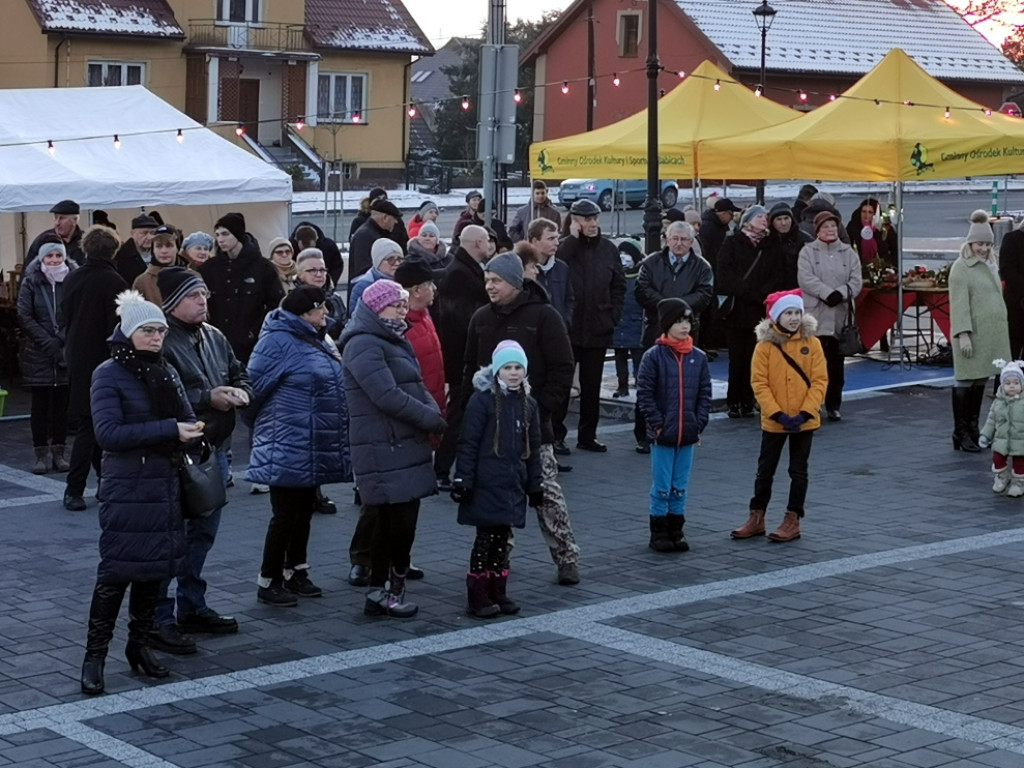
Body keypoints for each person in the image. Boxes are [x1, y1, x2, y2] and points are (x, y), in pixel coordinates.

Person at [80, 290, 202, 695]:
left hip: (165, 485)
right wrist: (169, 431)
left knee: (155, 571)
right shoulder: (107, 373)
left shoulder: (165, 369)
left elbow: (185, 415)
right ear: (129, 331)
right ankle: (94, 656)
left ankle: (140, 644)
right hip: (128, 488)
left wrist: (196, 432)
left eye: (161, 331)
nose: (156, 337)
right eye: (148, 330)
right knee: (115, 575)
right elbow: (109, 435)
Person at [461, 252, 581, 585]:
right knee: (498, 494)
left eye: (496, 280)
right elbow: (470, 371)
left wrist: (541, 408)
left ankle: (566, 556)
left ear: (515, 282)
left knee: (546, 492)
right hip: (492, 431)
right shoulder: (481, 318)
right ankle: (497, 558)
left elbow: (562, 366)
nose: (490, 286)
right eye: (487, 280)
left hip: (533, 427)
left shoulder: (543, 316)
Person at [152, 267, 250, 650]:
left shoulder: (214, 336)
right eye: (195, 296)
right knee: (172, 538)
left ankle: (191, 605)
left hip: (214, 452)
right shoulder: (161, 340)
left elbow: (241, 373)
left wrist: (241, 393)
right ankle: (159, 616)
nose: (203, 301)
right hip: (177, 456)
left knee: (202, 535)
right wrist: (208, 396)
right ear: (174, 302)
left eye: (205, 294)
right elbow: (162, 395)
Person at [340, 280, 447, 618]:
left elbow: (416, 385)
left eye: (404, 304)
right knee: (392, 524)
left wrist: (434, 414)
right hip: (384, 444)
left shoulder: (394, 337)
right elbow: (385, 395)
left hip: (403, 443)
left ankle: (389, 590)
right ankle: (382, 592)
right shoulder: (363, 343)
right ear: (375, 307)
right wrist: (430, 419)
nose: (402, 310)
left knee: (402, 522)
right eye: (395, 304)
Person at [247, 285, 352, 607]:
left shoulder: (321, 338)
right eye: (320, 309)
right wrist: (269, 430)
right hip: (287, 440)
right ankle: (269, 579)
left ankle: (297, 570)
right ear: (303, 314)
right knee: (285, 514)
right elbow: (252, 392)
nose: (326, 314)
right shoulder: (276, 341)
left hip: (313, 439)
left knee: (304, 509)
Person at [453, 340, 543, 617]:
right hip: (485, 482)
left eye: (518, 367)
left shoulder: (528, 404)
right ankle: (477, 595)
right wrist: (463, 479)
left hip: (512, 483)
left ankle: (497, 590)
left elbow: (534, 448)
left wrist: (535, 483)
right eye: (507, 367)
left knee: (502, 540)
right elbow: (468, 441)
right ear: (496, 371)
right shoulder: (482, 401)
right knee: (485, 539)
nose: (513, 373)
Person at [732, 289, 827, 544]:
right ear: (776, 317)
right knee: (765, 470)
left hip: (804, 420)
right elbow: (759, 383)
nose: (794, 318)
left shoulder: (813, 343)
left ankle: (793, 518)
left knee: (798, 471)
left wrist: (806, 411)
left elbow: (819, 380)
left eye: (797, 312)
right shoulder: (764, 347)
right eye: (788, 313)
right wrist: (775, 412)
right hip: (775, 421)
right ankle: (757, 516)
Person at [61, 226, 129, 511]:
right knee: (92, 427)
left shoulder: (73, 277)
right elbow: (118, 327)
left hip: (77, 357)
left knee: (92, 423)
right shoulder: (114, 281)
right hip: (103, 360)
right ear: (114, 250)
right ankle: (74, 489)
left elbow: (63, 315)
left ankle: (103, 480)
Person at [635, 298, 711, 553]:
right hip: (663, 434)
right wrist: (657, 424)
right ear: (666, 324)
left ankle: (676, 528)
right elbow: (644, 394)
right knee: (662, 486)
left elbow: (704, 393)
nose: (685, 326)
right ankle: (658, 530)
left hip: (687, 434)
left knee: (680, 485)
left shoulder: (698, 358)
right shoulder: (653, 357)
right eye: (679, 321)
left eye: (688, 321)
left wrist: (699, 423)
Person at [555, 198, 626, 452]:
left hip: (598, 326)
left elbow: (618, 285)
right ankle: (557, 436)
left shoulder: (608, 249)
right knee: (562, 386)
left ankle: (588, 435)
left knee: (592, 385)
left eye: (595, 218)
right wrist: (572, 241)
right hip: (569, 329)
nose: (593, 223)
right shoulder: (565, 248)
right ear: (574, 222)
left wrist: (612, 314)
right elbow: (556, 271)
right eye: (586, 219)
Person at [434, 224, 492, 491]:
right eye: (487, 240)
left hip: (466, 357)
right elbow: (461, 320)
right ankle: (442, 469)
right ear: (478, 243)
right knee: (457, 415)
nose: (490, 245)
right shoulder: (459, 273)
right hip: (461, 360)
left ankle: (455, 468)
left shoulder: (466, 268)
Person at [949, 211, 1011, 451]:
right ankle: (960, 432)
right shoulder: (961, 268)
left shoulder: (990, 265)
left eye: (987, 244)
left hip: (989, 334)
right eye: (979, 244)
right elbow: (959, 305)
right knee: (965, 380)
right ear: (970, 243)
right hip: (972, 334)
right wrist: (963, 334)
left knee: (980, 379)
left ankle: (973, 429)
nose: (984, 248)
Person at [797, 210, 863, 422]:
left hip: (840, 316)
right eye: (825, 226)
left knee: (836, 365)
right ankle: (812, 404)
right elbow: (805, 278)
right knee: (812, 364)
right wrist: (826, 293)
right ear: (818, 230)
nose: (830, 230)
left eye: (833, 226)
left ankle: (834, 405)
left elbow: (856, 280)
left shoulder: (848, 253)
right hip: (816, 313)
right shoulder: (807, 251)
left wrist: (842, 293)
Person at [17, 241, 76, 473]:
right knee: (40, 407)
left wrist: (61, 338)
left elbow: (74, 312)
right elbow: (24, 314)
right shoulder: (31, 281)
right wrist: (46, 341)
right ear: (41, 259)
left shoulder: (72, 279)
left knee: (61, 407)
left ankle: (60, 453)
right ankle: (40, 453)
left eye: (57, 255)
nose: (53, 260)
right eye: (49, 256)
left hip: (63, 352)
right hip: (39, 354)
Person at [717, 205, 780, 418]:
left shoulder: (770, 245)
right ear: (748, 221)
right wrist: (750, 292)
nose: (764, 220)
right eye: (760, 216)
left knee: (756, 358)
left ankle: (749, 400)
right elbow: (725, 274)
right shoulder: (732, 243)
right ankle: (733, 400)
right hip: (737, 310)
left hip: (759, 310)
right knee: (737, 357)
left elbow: (776, 274)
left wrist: (762, 294)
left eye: (766, 217)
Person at [199, 212, 284, 365]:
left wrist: (255, 331)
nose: (220, 239)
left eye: (225, 234)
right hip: (216, 343)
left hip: (253, 347)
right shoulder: (209, 269)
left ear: (238, 234)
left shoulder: (263, 268)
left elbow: (276, 304)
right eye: (217, 235)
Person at [979, 360, 1024, 496]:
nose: (1012, 386)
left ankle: (1019, 482)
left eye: (1016, 383)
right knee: (998, 458)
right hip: (1001, 439)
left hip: (1020, 440)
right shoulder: (998, 402)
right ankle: (1002, 477)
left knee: (1020, 462)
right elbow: (991, 421)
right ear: (1002, 385)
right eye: (1008, 383)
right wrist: (985, 435)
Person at [611, 241, 645, 400]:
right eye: (621, 254)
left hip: (636, 323)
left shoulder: (642, 278)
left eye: (627, 254)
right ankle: (622, 385)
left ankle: (640, 383)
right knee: (620, 358)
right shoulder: (616, 276)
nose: (624, 258)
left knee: (639, 358)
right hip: (619, 324)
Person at [349, 199, 403, 295]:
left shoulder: (371, 233)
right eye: (394, 218)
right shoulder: (366, 236)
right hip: (367, 296)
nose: (396, 222)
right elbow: (363, 270)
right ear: (385, 217)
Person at [293, 248, 347, 340]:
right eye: (312, 271)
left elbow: (345, 328)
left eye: (322, 270)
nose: (319, 275)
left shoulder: (335, 299)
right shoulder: (292, 301)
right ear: (300, 274)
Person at [764, 202, 813, 290]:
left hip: (798, 289)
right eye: (779, 219)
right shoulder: (766, 240)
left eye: (786, 218)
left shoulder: (805, 240)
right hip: (771, 291)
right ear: (772, 222)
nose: (783, 223)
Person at [25, 200, 85, 267]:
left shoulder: (87, 242)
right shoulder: (43, 240)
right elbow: (27, 271)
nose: (57, 223)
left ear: (75, 220)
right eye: (56, 217)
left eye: (62, 218)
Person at [350, 237, 405, 307]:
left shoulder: (405, 281)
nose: (397, 263)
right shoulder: (363, 287)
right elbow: (356, 315)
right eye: (391, 259)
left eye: (400, 259)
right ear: (378, 262)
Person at [133, 225, 180, 304]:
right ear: (153, 250)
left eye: (169, 245)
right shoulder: (142, 282)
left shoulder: (193, 277)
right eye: (158, 246)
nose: (164, 251)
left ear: (177, 248)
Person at [847, 197, 897, 265]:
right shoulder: (853, 226)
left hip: (882, 266)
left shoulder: (885, 227)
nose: (866, 215)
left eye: (870, 212)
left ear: (875, 214)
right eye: (863, 211)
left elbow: (895, 249)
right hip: (858, 267)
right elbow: (846, 245)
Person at [1000, 220, 1024, 360]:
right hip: (1016, 305)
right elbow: (1006, 270)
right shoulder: (1012, 239)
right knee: (1010, 355)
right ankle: (1005, 382)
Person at [113, 214, 159, 286]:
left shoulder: (160, 253)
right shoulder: (121, 256)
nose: (149, 237)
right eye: (144, 233)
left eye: (152, 233)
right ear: (132, 234)